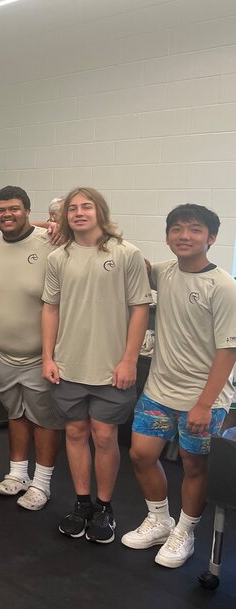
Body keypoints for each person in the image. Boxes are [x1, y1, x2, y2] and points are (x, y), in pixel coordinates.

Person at [121, 204, 236, 567]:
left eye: (195, 230)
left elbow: (229, 350)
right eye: (177, 229)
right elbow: (125, 258)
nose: (185, 236)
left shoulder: (223, 287)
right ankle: (159, 520)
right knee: (141, 454)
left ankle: (185, 530)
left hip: (205, 399)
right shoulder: (164, 272)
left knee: (194, 465)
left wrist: (204, 404)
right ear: (168, 235)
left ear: (211, 238)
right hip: (159, 391)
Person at [42, 186, 151, 543]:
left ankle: (105, 507)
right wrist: (48, 357)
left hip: (112, 368)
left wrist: (129, 360)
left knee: (104, 436)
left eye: (85, 206)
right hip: (69, 365)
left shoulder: (126, 254)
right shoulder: (59, 258)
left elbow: (140, 308)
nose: (78, 213)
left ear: (100, 212)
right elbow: (51, 308)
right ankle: (82, 503)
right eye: (71, 208)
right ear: (63, 217)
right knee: (75, 433)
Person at [0, 186, 63, 511]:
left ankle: (42, 484)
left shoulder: (51, 244)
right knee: (15, 413)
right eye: (1, 210)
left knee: (44, 419)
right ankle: (18, 473)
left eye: (14, 209)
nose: (7, 215)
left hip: (41, 355)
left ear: (28, 211)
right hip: (3, 353)